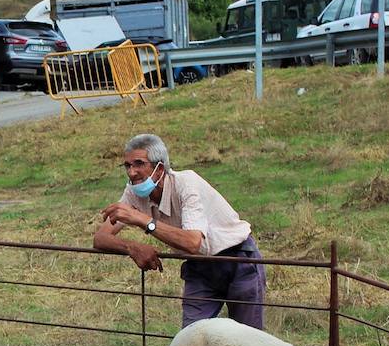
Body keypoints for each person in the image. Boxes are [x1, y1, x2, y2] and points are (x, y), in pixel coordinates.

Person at [93, 133, 266, 330]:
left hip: (238, 260)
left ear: (159, 168)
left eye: (139, 164)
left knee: (248, 341)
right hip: (199, 267)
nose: (132, 172)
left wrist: (143, 220)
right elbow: (100, 238)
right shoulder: (133, 191)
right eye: (127, 166)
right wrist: (132, 247)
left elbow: (193, 242)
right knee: (191, 339)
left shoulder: (186, 183)